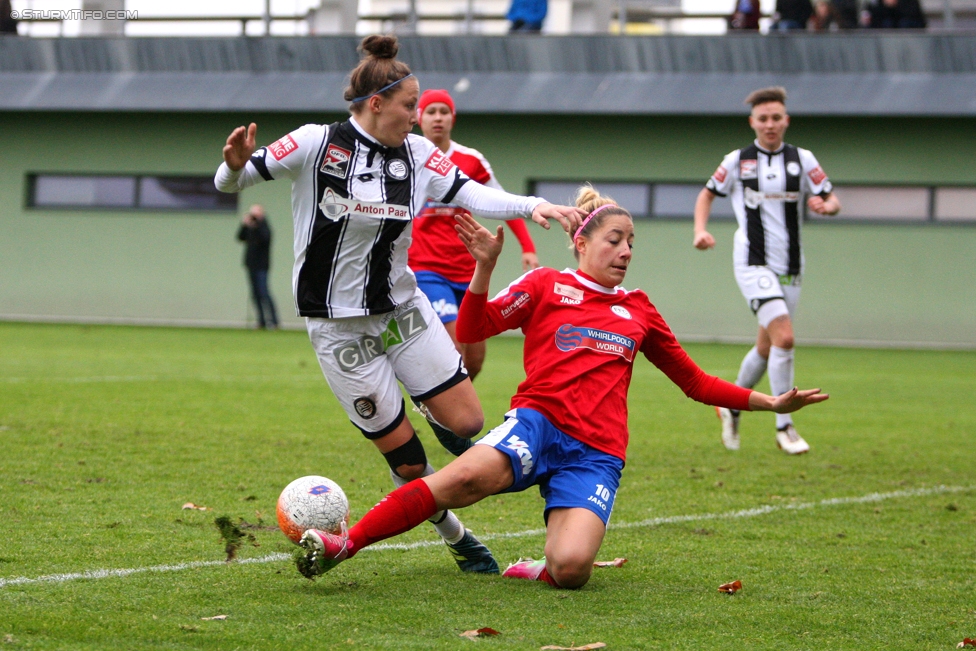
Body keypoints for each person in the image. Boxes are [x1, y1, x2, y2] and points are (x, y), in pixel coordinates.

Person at [295, 188, 829, 588]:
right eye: (614, 241)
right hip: (537, 425)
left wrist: (769, 402)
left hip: (595, 454)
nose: (624, 252)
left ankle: (540, 566)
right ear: (581, 242)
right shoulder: (545, 285)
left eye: (631, 243)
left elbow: (693, 381)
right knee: (462, 481)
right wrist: (483, 269)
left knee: (572, 571)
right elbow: (475, 329)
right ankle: (348, 544)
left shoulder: (638, 308)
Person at [214, 34, 583, 576]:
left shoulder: (416, 154)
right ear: (375, 103)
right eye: (410, 104)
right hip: (339, 331)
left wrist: (534, 205)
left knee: (469, 419)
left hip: (401, 313)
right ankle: (457, 537)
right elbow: (233, 181)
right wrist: (233, 166)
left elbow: (471, 192)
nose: (417, 115)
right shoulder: (317, 143)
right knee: (409, 463)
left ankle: (425, 405)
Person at [692, 86, 840, 455]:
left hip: (791, 264)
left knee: (766, 345)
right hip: (752, 260)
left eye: (776, 118)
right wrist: (700, 230)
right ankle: (784, 424)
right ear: (752, 122)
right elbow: (707, 193)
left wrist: (830, 207)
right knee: (785, 338)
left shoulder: (802, 159)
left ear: (785, 121)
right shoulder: (737, 161)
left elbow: (830, 196)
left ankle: (730, 403)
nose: (770, 124)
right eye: (763, 119)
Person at [411, 88, 539, 383]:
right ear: (419, 118)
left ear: (453, 118)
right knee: (453, 346)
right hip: (426, 269)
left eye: (444, 112)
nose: (438, 118)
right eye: (431, 112)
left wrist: (527, 246)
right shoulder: (407, 159)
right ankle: (444, 410)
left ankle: (442, 404)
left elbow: (501, 201)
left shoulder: (470, 160)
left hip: (468, 272)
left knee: (475, 360)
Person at [236, 204, 279, 330]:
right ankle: (261, 321)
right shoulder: (250, 227)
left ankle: (274, 321)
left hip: (262, 266)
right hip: (251, 265)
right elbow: (240, 237)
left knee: (264, 293)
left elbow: (265, 238)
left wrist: (257, 225)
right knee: (255, 294)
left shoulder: (264, 226)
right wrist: (244, 224)